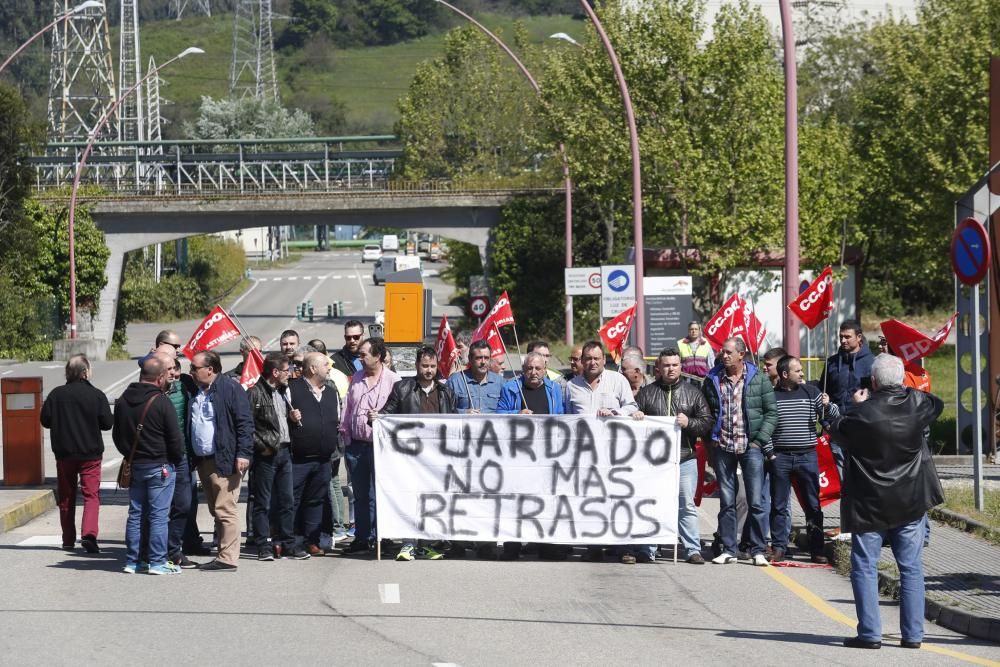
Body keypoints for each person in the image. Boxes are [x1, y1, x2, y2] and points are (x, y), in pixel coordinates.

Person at [829, 354, 944, 650]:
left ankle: (870, 634)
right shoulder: (918, 404)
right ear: (902, 381)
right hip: (910, 501)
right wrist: (909, 390)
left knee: (865, 567)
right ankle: (913, 635)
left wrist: (857, 405)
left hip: (870, 503)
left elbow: (837, 429)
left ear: (875, 382)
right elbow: (937, 404)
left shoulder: (861, 413)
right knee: (911, 568)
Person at [632, 348, 713, 564]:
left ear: (681, 367)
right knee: (652, 504)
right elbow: (632, 424)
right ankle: (647, 548)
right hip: (654, 462)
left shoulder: (693, 393)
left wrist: (690, 423)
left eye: (674, 365)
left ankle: (692, 549)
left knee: (686, 504)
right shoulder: (647, 393)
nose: (670, 369)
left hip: (684, 458)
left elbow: (707, 423)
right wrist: (636, 416)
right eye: (666, 365)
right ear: (658, 367)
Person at [376, 346, 456, 561]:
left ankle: (426, 545)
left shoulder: (446, 391)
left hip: (437, 459)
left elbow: (454, 420)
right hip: (409, 458)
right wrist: (377, 418)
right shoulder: (402, 388)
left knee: (431, 502)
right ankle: (408, 544)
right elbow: (388, 413)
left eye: (432, 366)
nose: (429, 370)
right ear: (416, 365)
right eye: (424, 366)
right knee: (410, 500)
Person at [702, 337, 777, 566]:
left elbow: (771, 413)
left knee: (755, 501)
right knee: (727, 502)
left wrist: (759, 441)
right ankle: (728, 549)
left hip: (750, 447)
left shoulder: (758, 379)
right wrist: (710, 441)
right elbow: (706, 412)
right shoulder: (712, 379)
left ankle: (757, 549)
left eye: (728, 352)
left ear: (741, 355)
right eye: (723, 352)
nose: (724, 356)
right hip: (723, 447)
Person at [566, 340, 638, 562]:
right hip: (586, 454)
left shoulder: (618, 381)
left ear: (604, 360)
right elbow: (566, 418)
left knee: (618, 499)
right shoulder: (571, 386)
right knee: (593, 501)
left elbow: (632, 407)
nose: (592, 362)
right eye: (588, 358)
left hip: (615, 453)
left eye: (597, 358)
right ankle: (594, 545)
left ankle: (624, 547)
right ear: (581, 361)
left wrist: (615, 412)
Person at [113, 355, 184, 575]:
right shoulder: (162, 401)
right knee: (158, 516)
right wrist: (174, 458)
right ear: (160, 377)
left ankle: (133, 561)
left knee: (135, 514)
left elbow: (117, 435)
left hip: (135, 465)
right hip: (160, 465)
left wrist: (130, 454)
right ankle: (157, 561)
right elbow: (176, 440)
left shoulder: (124, 399)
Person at [767, 355, 838, 564]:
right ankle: (779, 547)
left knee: (813, 505)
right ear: (785, 374)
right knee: (779, 505)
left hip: (807, 455)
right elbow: (764, 428)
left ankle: (817, 549)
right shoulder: (771, 397)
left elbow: (832, 416)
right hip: (780, 457)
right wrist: (770, 452)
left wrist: (828, 404)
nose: (802, 374)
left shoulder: (812, 392)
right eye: (797, 371)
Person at [188, 350, 254, 572]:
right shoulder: (196, 390)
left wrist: (243, 453)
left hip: (225, 458)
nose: (191, 372)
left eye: (195, 368)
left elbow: (244, 422)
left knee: (225, 508)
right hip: (203, 459)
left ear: (210, 369)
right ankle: (222, 551)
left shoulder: (230, 388)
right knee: (215, 509)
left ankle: (227, 558)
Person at [40, 354, 113, 553]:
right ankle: (89, 534)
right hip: (90, 455)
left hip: (64, 455)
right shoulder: (96, 395)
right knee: (91, 496)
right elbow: (107, 423)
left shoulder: (56, 395)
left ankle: (68, 538)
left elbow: (45, 420)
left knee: (67, 496)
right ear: (85, 373)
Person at [340, 337, 400, 554]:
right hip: (356, 445)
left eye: (365, 354)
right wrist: (346, 435)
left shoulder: (394, 380)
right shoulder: (356, 377)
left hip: (380, 447)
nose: (360, 357)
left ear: (379, 356)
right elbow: (348, 407)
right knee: (361, 494)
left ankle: (380, 536)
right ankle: (362, 537)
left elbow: (399, 414)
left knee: (378, 494)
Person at [247, 352, 303, 561]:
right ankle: (263, 545)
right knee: (263, 502)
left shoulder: (283, 391)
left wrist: (291, 418)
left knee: (287, 500)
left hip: (285, 453)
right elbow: (247, 426)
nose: (290, 373)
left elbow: (278, 423)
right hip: (266, 454)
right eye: (286, 370)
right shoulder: (255, 393)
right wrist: (263, 446)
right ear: (275, 371)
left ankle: (288, 543)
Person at [288, 352, 341, 557]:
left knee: (316, 500)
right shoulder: (292, 389)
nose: (329, 367)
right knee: (292, 500)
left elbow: (336, 421)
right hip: (298, 460)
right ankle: (291, 540)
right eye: (326, 364)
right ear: (312, 369)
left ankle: (312, 540)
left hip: (323, 459)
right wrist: (290, 416)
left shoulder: (331, 392)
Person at [820, 319, 874, 479]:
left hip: (862, 430)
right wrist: (825, 423)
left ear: (859, 337)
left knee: (862, 478)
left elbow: (878, 396)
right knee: (842, 481)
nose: (843, 340)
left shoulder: (872, 363)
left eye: (847, 337)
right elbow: (822, 393)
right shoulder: (832, 363)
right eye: (840, 336)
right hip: (836, 429)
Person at [446, 340, 504, 414]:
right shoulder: (455, 381)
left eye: (486, 358)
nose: (483, 362)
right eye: (479, 358)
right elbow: (445, 409)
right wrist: (463, 413)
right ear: (470, 359)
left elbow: (507, 410)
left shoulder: (500, 382)